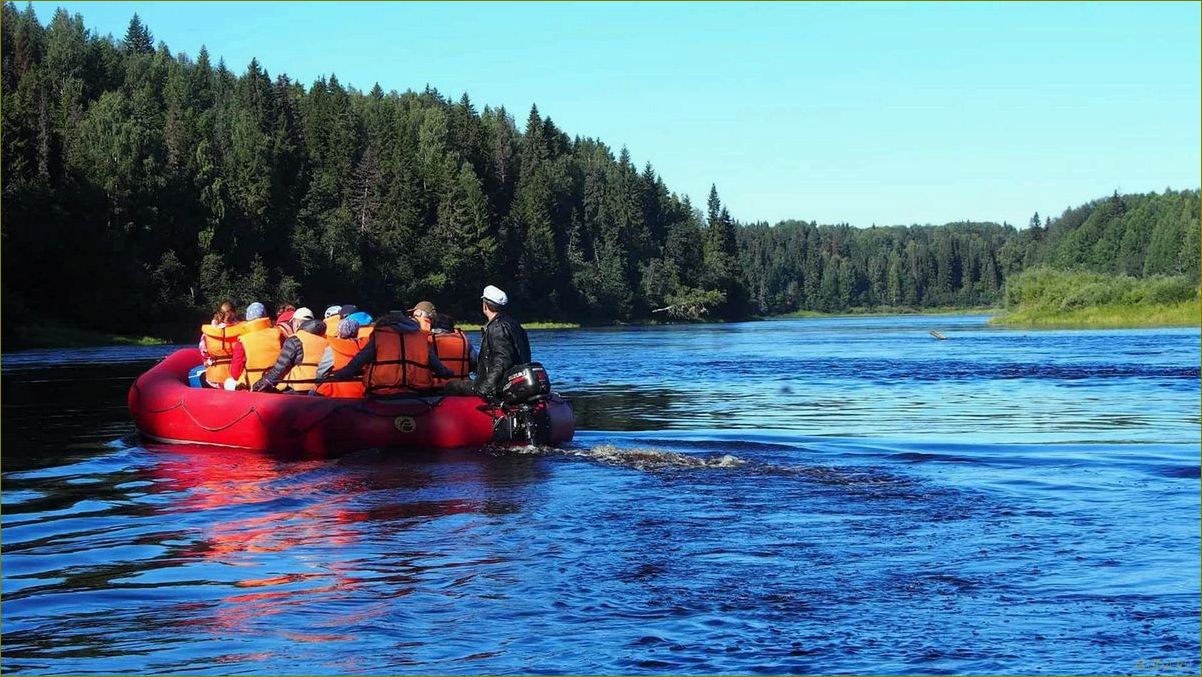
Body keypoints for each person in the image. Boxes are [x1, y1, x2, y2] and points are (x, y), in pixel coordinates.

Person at [320, 310, 453, 397]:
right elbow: (438, 368)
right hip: (418, 394)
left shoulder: (380, 335)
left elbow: (358, 362)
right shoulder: (420, 338)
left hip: (382, 394)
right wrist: (448, 373)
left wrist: (340, 375)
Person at [442, 285, 530, 400]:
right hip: (514, 382)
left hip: (499, 385)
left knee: (451, 386)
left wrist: (485, 387)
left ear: (485, 305)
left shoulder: (497, 327)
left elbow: (502, 360)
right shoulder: (515, 324)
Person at [252, 309, 328, 393]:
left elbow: (279, 369)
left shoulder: (295, 339)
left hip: (299, 390)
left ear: (297, 322)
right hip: (321, 389)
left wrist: (259, 385)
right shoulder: (327, 340)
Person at [228, 302, 283, 390]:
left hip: (254, 387)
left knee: (229, 382)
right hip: (278, 384)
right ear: (264, 316)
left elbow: (235, 374)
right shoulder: (279, 333)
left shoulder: (242, 340)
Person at [315, 318, 368, 398]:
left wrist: (318, 384)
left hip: (336, 392)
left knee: (313, 392)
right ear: (357, 331)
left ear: (339, 331)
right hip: (361, 391)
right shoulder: (365, 347)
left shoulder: (333, 347)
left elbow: (321, 373)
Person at [198, 301, 243, 387]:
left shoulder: (206, 334)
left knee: (202, 377)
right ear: (235, 313)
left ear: (218, 314)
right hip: (237, 379)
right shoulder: (243, 331)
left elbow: (204, 357)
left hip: (214, 380)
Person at [428, 311, 475, 388]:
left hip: (436, 387)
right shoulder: (464, 340)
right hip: (462, 386)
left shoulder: (428, 341)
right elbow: (474, 362)